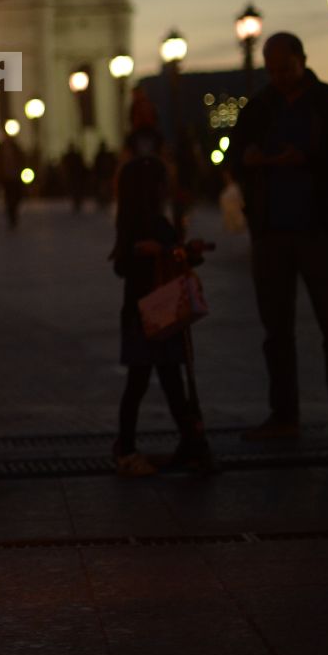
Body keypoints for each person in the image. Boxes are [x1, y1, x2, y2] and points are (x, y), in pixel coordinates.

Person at [226, 32, 328, 444]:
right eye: (271, 70)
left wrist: (309, 159)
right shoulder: (259, 107)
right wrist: (248, 161)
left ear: (303, 60)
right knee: (276, 330)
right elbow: (236, 156)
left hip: (319, 227)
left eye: (285, 68)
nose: (278, 77)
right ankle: (283, 415)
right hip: (270, 230)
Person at [109, 157, 212, 475]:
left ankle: (190, 443)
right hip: (150, 313)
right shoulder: (142, 224)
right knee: (144, 382)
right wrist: (151, 251)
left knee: (168, 381)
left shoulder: (145, 221)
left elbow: (171, 255)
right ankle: (126, 450)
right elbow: (123, 264)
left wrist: (185, 251)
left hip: (156, 312)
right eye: (159, 182)